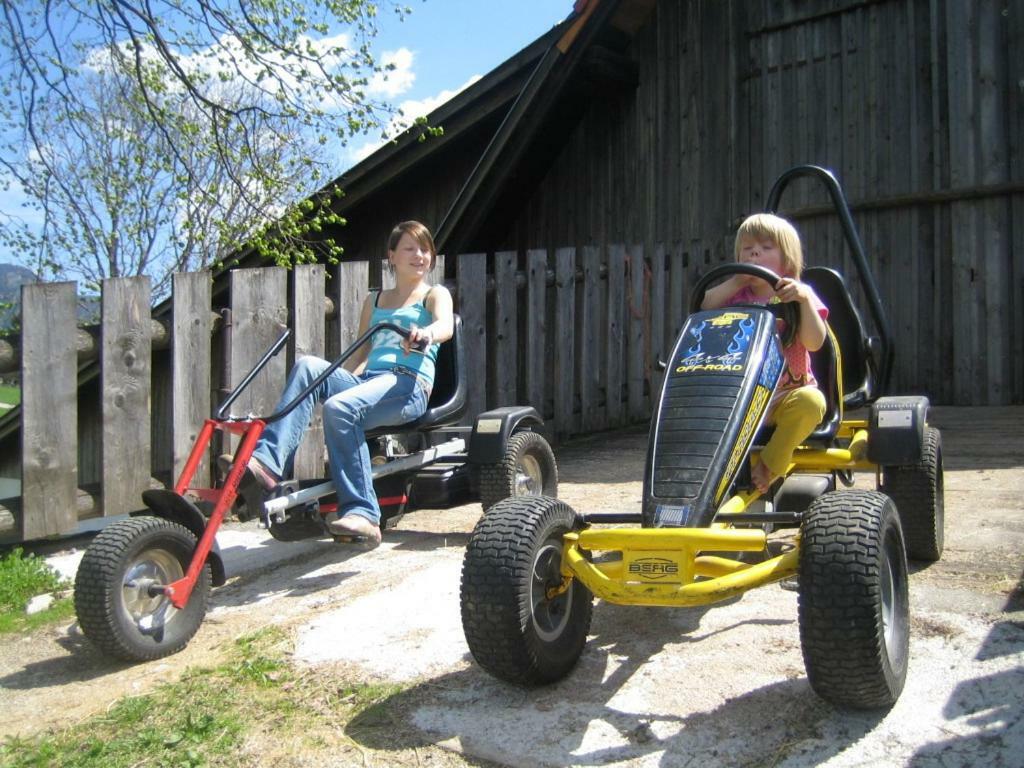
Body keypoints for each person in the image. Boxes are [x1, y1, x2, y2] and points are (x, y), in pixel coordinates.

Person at [232, 220, 454, 548]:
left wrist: (426, 334)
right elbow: (360, 355)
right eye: (409, 248)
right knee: (309, 367)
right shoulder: (374, 300)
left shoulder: (434, 294)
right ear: (391, 256)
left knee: (340, 408)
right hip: (370, 381)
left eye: (425, 249)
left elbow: (445, 325)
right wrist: (341, 384)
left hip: (408, 385)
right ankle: (267, 464)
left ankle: (363, 512)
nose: (419, 255)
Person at [701, 213, 828, 494]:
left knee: (812, 402)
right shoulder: (733, 296)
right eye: (748, 248)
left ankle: (770, 465)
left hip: (786, 395)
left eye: (766, 247)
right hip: (741, 395)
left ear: (788, 259)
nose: (755, 252)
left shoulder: (800, 297)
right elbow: (701, 311)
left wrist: (804, 300)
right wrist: (735, 281)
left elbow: (815, 341)